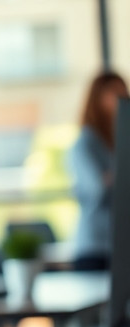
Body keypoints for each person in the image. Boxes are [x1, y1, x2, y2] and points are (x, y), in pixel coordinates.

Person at [70, 71, 125, 270]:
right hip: (95, 247)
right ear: (98, 98)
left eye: (124, 92)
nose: (122, 98)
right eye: (115, 93)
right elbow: (96, 188)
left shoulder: (120, 139)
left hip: (119, 244)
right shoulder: (85, 143)